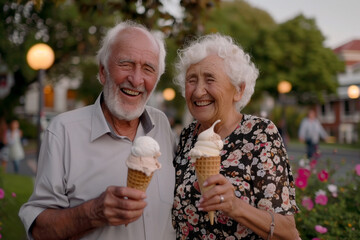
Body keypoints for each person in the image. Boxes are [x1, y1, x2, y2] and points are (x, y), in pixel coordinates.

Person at [19, 20, 176, 240]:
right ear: (103, 72)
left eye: (148, 69)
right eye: (126, 64)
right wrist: (93, 213)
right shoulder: (63, 131)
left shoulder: (162, 126)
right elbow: (39, 232)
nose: (136, 79)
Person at [172, 33, 299, 239]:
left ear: (238, 90)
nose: (197, 92)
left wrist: (235, 206)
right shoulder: (187, 137)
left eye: (210, 79)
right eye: (191, 80)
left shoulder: (260, 134)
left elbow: (289, 232)